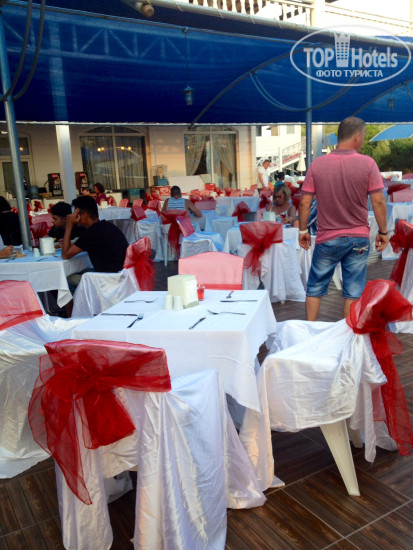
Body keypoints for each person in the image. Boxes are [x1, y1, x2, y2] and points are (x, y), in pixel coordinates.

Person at [298, 116, 388, 321]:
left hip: (327, 238)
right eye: (363, 136)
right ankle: (346, 332)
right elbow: (378, 201)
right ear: (357, 137)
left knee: (315, 288)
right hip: (358, 238)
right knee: (353, 291)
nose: (362, 140)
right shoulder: (368, 164)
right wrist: (383, 232)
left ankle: (309, 330)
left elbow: (304, 203)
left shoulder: (317, 165)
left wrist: (303, 230)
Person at [62, 195, 128, 274]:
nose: (73, 217)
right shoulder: (107, 226)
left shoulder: (92, 232)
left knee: (68, 277)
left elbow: (65, 255)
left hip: (108, 278)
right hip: (122, 274)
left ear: (84, 215)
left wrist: (69, 225)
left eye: (76, 214)